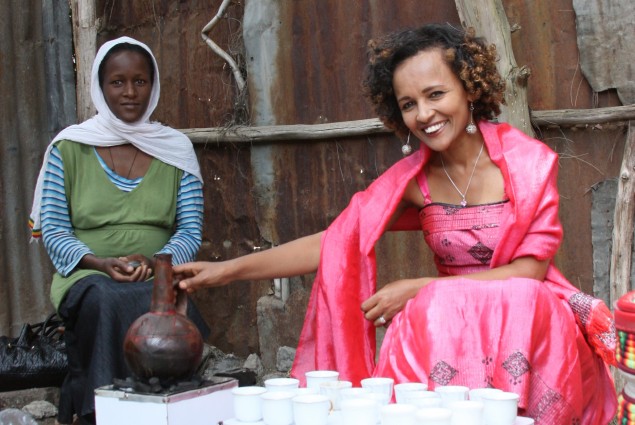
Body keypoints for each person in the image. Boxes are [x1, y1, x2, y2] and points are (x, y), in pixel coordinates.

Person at [174, 24, 617, 423]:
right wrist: (224, 271)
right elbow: (337, 242)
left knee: (495, 299)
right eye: (408, 104)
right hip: (450, 328)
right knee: (429, 313)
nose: (424, 114)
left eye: (435, 94)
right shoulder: (413, 183)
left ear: (469, 89)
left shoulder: (527, 164)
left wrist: (421, 288)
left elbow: (530, 273)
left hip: (528, 320)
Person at [29, 36, 209, 425]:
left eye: (140, 81)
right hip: (87, 273)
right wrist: (100, 261)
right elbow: (55, 231)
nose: (130, 92)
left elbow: (191, 232)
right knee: (106, 299)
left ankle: (169, 411)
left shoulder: (175, 150)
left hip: (157, 274)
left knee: (164, 300)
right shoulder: (70, 148)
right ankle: (102, 413)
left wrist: (156, 262)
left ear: (153, 85)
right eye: (117, 82)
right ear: (100, 86)